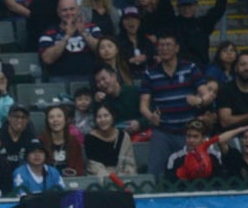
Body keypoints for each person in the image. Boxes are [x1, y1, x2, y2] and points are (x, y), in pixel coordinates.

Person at [139, 32, 205, 179]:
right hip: (163, 131)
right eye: (161, 45)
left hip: (188, 132)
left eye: (168, 45)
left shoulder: (190, 68)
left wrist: (199, 100)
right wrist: (150, 116)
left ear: (176, 48)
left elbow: (206, 94)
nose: (164, 48)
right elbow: (143, 105)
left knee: (194, 170)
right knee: (154, 173)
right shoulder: (150, 74)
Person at [38, 0, 100, 83]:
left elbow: (101, 51)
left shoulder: (92, 28)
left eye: (72, 9)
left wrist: (84, 34)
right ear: (58, 12)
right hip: (60, 79)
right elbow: (47, 59)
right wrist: (67, 36)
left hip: (90, 77)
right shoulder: (49, 32)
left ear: (78, 10)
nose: (68, 13)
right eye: (64, 10)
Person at [84, 101, 136, 176]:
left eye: (106, 116)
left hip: (122, 177)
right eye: (99, 117)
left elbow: (129, 163)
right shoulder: (90, 138)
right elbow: (93, 166)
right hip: (99, 178)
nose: (103, 120)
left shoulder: (123, 136)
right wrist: (109, 179)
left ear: (113, 116)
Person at [93, 63, 145, 137]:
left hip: (140, 137)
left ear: (114, 76)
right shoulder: (102, 101)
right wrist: (96, 103)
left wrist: (139, 123)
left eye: (104, 79)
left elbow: (153, 116)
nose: (101, 83)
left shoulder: (135, 92)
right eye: (98, 82)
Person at [165, 118, 222, 182]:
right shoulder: (174, 158)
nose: (191, 140)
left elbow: (219, 182)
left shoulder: (214, 156)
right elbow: (169, 184)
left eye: (195, 136)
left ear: (203, 138)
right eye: (189, 136)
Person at [40, 103, 85, 177]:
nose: (55, 120)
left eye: (59, 116)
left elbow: (79, 169)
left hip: (70, 181)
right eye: (51, 117)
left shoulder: (74, 141)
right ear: (47, 121)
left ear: (66, 120)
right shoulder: (41, 142)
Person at [116, 6, 155, 81]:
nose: (131, 21)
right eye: (127, 19)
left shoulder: (146, 40)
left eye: (134, 18)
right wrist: (129, 61)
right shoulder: (116, 41)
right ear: (122, 22)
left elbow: (153, 57)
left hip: (147, 78)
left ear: (139, 21)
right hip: (125, 79)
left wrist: (147, 58)